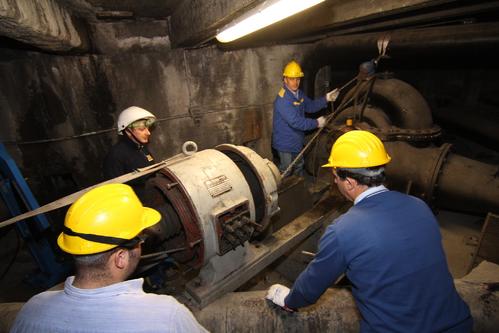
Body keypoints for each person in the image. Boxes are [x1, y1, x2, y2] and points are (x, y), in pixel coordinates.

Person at [266, 130, 473, 332]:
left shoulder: (343, 231)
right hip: (458, 323)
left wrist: (289, 299)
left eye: (335, 175)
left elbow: (310, 289)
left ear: (349, 182)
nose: (335, 180)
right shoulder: (418, 205)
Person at [11, 184, 208, 333]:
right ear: (120, 258)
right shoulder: (168, 316)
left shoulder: (32, 310)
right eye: (140, 238)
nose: (142, 243)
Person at [272, 60, 339, 176]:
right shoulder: (283, 100)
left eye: (298, 79)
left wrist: (326, 98)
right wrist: (316, 123)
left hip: (296, 140)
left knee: (298, 166)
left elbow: (310, 106)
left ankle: (299, 190)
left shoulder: (299, 94)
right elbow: (296, 122)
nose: (295, 82)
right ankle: (282, 192)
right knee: (286, 170)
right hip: (285, 143)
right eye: (292, 79)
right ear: (285, 79)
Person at [103, 106, 157, 201]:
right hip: (138, 205)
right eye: (142, 129)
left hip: (153, 197)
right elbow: (116, 191)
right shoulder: (116, 155)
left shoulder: (142, 147)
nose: (148, 133)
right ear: (128, 131)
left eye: (148, 128)